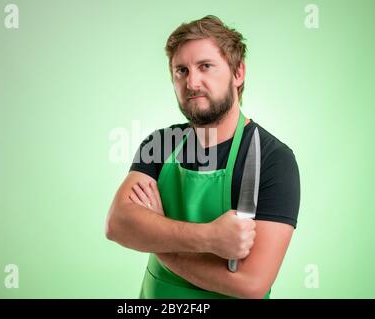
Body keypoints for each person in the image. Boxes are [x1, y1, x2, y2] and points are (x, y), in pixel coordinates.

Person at [105, 15, 300, 299]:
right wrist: (211, 237)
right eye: (181, 70)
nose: (192, 82)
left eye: (205, 66)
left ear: (238, 73)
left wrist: (159, 243)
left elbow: (251, 285)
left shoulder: (273, 158)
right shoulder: (159, 144)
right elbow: (118, 224)